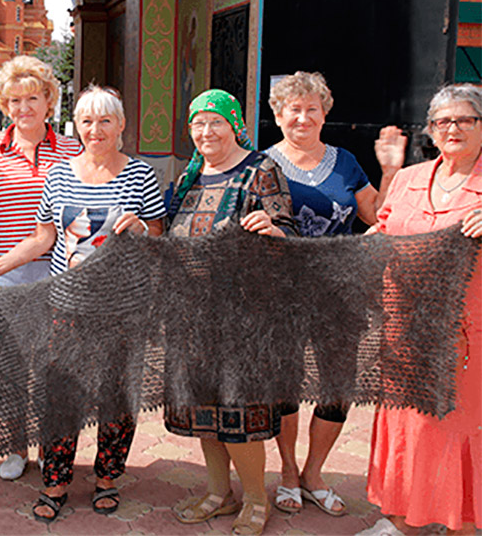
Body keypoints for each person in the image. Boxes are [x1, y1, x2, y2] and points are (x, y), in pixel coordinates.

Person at [0, 85, 166, 522]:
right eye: (87, 121)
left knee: (116, 397)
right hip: (66, 306)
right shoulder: (59, 175)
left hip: (121, 309)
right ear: (76, 125)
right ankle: (55, 481)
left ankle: (107, 478)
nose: (96, 130)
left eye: (105, 121)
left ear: (122, 126)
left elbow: (157, 234)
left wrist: (142, 231)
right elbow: (43, 238)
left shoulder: (141, 175)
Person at [264, 71, 405, 516]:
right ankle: (286, 472)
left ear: (325, 113)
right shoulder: (260, 165)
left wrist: (391, 170)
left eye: (312, 109)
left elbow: (377, 215)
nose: (302, 117)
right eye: (293, 109)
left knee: (336, 385)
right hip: (283, 297)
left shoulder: (345, 162)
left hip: (342, 294)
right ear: (277, 114)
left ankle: (313, 473)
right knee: (284, 386)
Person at [166, 89, 297, 536]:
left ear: (235, 124)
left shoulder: (260, 171)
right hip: (191, 317)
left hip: (242, 320)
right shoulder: (189, 177)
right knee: (207, 413)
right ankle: (219, 494)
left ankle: (257, 499)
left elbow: (288, 234)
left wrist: (273, 229)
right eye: (198, 124)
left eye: (215, 122)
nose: (206, 132)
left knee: (239, 416)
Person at [358, 84, 482, 536]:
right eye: (442, 121)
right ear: (431, 129)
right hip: (403, 332)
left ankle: (461, 523)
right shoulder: (411, 178)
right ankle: (401, 519)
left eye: (465, 119)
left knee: (454, 430)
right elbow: (383, 231)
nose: (453, 128)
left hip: (466, 338)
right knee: (407, 427)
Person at [0, 55, 82, 480]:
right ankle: (14, 448)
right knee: (10, 366)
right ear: (4, 106)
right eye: (14, 100)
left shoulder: (71, 149)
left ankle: (50, 444)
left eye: (32, 98)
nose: (24, 108)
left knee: (53, 366)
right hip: (6, 272)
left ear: (49, 101)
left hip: (59, 270)